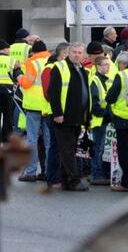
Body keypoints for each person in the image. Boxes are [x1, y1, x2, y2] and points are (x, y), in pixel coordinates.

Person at [46, 43, 91, 191]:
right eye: (74, 52)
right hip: (64, 116)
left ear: (83, 55)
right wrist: (57, 113)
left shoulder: (82, 69)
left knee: (70, 148)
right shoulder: (60, 67)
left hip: (77, 116)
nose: (77, 55)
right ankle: (73, 180)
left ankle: (66, 180)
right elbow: (54, 91)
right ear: (68, 53)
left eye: (80, 52)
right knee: (67, 149)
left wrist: (86, 116)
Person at [104, 52, 128, 192]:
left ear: (121, 64)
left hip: (123, 119)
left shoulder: (122, 75)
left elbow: (111, 97)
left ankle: (126, 182)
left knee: (125, 152)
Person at [17, 40, 52, 182]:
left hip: (33, 106)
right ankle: (49, 171)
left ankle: (31, 172)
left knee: (32, 139)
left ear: (34, 52)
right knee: (49, 141)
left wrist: (18, 74)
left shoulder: (32, 63)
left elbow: (26, 83)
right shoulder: (52, 61)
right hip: (48, 106)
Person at [39, 42, 70, 190]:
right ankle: (52, 178)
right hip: (52, 112)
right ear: (62, 54)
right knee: (55, 146)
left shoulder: (61, 67)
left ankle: (58, 177)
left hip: (60, 112)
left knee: (59, 146)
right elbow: (48, 92)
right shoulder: (50, 68)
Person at [88, 55, 113, 185]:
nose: (108, 67)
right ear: (98, 67)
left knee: (100, 148)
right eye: (105, 65)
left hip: (103, 119)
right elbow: (95, 104)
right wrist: (107, 115)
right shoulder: (96, 80)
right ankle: (96, 174)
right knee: (98, 149)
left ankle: (97, 173)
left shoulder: (104, 80)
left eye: (108, 64)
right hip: (99, 120)